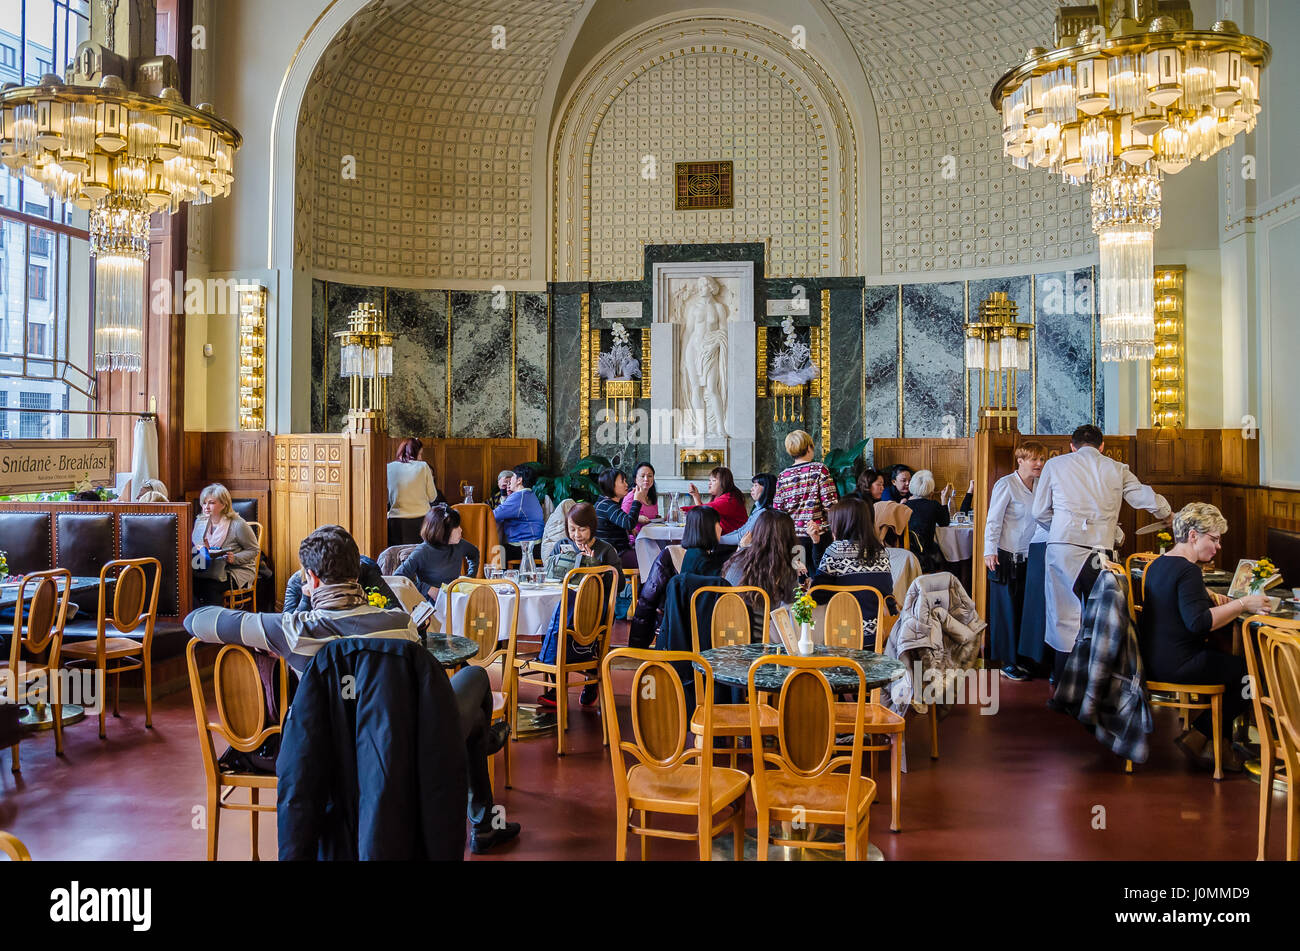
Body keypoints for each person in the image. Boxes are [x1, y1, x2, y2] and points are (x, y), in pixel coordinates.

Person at [183, 525, 519, 853]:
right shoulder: (400, 625)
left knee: (470, 713)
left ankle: (482, 748)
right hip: (404, 744)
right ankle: (484, 788)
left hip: (328, 747)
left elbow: (196, 620)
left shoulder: (292, 631)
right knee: (475, 679)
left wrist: (285, 619)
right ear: (357, 574)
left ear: (311, 579)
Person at [1032, 424, 1171, 682]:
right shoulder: (1116, 468)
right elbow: (1144, 497)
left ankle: (1063, 683)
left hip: (1063, 548)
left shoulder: (1055, 465)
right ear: (1102, 447)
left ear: (1072, 446)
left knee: (1063, 617)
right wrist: (1167, 514)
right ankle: (1097, 684)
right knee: (1101, 618)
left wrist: (1063, 530)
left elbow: (1039, 512)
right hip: (1100, 552)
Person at [1139, 503, 1270, 772]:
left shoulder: (1159, 564)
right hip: (1180, 664)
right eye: (1214, 539)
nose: (1218, 547)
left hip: (1153, 659)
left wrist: (1209, 598)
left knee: (1234, 667)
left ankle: (1214, 743)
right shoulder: (1189, 571)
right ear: (1193, 536)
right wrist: (1243, 604)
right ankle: (1200, 734)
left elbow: (1184, 610)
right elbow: (1199, 623)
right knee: (1252, 676)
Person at [537, 502, 621, 707]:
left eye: (582, 529)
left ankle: (588, 676)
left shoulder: (605, 550)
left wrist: (595, 569)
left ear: (592, 527)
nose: (577, 535)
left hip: (594, 613)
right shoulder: (561, 546)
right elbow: (549, 577)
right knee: (555, 616)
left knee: (564, 617)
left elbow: (619, 586)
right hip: (563, 611)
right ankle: (557, 688)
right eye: (572, 529)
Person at [984, 441, 1048, 681]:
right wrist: (990, 551)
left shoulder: (1042, 485)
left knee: (1026, 608)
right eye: (1034, 460)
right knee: (1007, 610)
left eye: (1041, 460)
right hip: (1005, 555)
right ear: (1020, 461)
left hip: (1032, 555)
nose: (1039, 464)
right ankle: (1008, 661)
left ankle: (1025, 658)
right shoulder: (1006, 484)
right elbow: (994, 520)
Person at [628, 506, 728, 649]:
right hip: (705, 637)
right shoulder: (706, 562)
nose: (721, 528)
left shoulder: (682, 555)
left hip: (673, 633)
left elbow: (646, 600)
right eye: (718, 523)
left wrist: (636, 648)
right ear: (708, 528)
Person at [812, 499, 894, 642]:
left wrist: (816, 545)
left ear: (842, 522)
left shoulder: (836, 550)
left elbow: (817, 596)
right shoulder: (881, 551)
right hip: (882, 634)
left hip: (848, 636)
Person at [723, 509, 806, 637]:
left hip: (726, 634)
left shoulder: (737, 560)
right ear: (788, 537)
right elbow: (793, 603)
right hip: (761, 642)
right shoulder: (783, 568)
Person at [773, 429, 839, 572]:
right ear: (809, 447)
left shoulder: (783, 476)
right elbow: (831, 504)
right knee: (820, 577)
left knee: (800, 582)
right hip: (818, 535)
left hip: (794, 538)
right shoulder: (819, 470)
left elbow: (778, 509)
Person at [191, 482, 261, 606]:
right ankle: (197, 620)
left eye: (211, 503)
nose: (206, 507)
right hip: (209, 569)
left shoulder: (238, 524)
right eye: (204, 503)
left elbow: (254, 550)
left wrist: (235, 558)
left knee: (210, 587)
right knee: (189, 584)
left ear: (224, 504)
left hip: (235, 570)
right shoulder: (199, 522)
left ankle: (215, 622)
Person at [395, 505, 480, 605]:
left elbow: (474, 553)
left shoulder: (459, 544)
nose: (460, 530)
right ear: (442, 531)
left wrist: (470, 577)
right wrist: (428, 589)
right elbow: (398, 578)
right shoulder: (422, 552)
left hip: (455, 601)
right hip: (430, 607)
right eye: (456, 527)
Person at [386, 438, 443, 547]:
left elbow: (387, 499)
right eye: (420, 454)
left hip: (396, 522)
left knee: (397, 555)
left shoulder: (389, 467)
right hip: (421, 520)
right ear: (413, 453)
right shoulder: (423, 466)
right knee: (419, 556)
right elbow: (432, 496)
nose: (421, 458)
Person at [594, 467, 650, 570]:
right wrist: (636, 500)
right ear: (611, 485)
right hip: (615, 556)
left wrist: (627, 529)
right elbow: (629, 523)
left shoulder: (603, 503)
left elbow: (620, 524)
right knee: (651, 560)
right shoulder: (609, 506)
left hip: (612, 553)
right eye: (622, 481)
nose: (626, 484)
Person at [492, 465, 545, 563]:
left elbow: (494, 515)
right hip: (535, 546)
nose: (509, 482)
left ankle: (498, 577)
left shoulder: (519, 496)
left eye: (512, 477)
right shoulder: (530, 495)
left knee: (494, 550)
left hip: (524, 548)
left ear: (519, 480)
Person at [904, 469, 952, 571]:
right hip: (927, 554)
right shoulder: (933, 505)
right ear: (930, 488)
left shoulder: (904, 506)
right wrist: (944, 500)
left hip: (906, 554)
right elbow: (945, 522)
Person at [684, 465, 748, 536]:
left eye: (713, 480)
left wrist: (679, 509)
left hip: (732, 542)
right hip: (726, 538)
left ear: (723, 483)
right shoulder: (724, 496)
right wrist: (695, 496)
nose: (709, 483)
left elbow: (705, 509)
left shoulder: (729, 499)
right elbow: (704, 512)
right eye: (709, 480)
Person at [720, 473, 776, 546]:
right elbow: (741, 530)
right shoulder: (758, 508)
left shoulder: (764, 512)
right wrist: (719, 539)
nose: (752, 489)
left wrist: (717, 540)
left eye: (756, 485)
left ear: (766, 488)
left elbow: (742, 536)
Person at [622, 462, 660, 540]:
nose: (646, 479)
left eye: (650, 476)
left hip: (652, 537)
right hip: (636, 539)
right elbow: (622, 520)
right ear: (635, 479)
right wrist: (637, 518)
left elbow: (654, 518)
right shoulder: (631, 496)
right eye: (642, 476)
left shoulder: (652, 497)